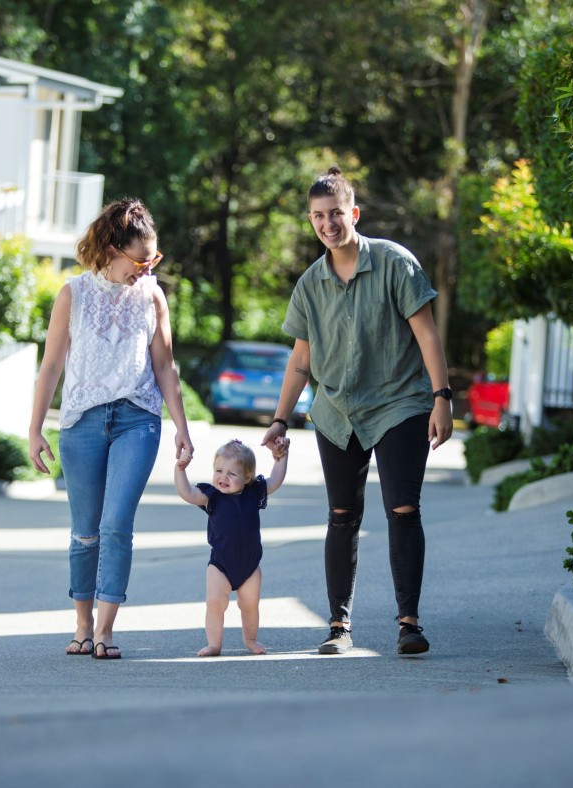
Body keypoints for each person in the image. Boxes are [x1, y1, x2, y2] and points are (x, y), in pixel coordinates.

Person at [261, 166, 454, 657]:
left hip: (400, 404)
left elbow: (427, 335)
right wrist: (281, 419)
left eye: (336, 214)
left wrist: (442, 398)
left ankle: (408, 623)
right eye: (318, 217)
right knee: (341, 515)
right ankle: (338, 627)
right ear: (310, 220)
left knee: (402, 508)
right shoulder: (310, 284)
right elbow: (301, 360)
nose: (328, 224)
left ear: (354, 213)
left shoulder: (394, 263)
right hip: (337, 411)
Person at [29, 197, 194, 661]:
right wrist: (36, 429)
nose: (147, 269)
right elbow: (51, 367)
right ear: (111, 248)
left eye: (153, 259)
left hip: (137, 419)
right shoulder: (73, 294)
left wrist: (181, 426)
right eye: (140, 260)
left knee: (116, 524)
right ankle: (81, 625)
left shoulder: (153, 295)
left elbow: (164, 365)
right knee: (85, 531)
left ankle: (104, 629)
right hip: (81, 422)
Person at [174, 437, 289, 657]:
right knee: (215, 605)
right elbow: (187, 493)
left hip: (250, 566)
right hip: (220, 566)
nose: (222, 477)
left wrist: (282, 457)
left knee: (250, 606)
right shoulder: (212, 497)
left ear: (247, 478)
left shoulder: (254, 492)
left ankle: (251, 640)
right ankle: (214, 644)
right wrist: (180, 469)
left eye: (232, 474)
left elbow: (275, 480)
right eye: (218, 470)